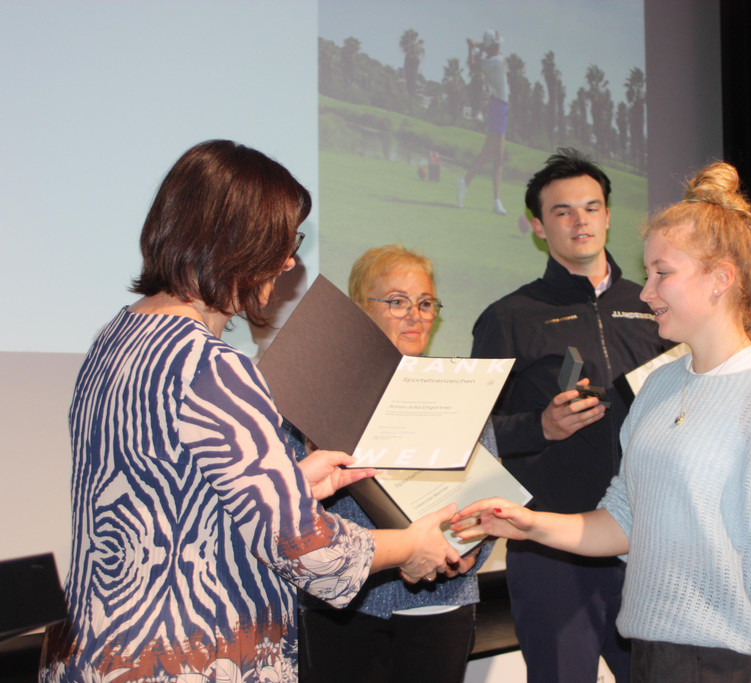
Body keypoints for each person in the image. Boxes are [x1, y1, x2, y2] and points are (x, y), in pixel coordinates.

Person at [40, 141, 460, 683]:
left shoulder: (117, 337)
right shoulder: (212, 366)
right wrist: (412, 543)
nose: (289, 262)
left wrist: (290, 483)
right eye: (283, 243)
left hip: (100, 652)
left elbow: (168, 495)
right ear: (235, 242)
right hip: (187, 657)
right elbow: (308, 551)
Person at [455, 161, 751, 682]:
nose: (645, 291)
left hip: (726, 662)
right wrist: (529, 523)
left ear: (720, 278)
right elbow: (623, 520)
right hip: (651, 654)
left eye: (663, 273)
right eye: (649, 272)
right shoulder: (660, 387)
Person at [470, 148, 668, 682]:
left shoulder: (655, 307)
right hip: (551, 550)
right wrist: (539, 426)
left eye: (591, 207)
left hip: (650, 540)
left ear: (608, 216)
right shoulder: (508, 318)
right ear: (539, 226)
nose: (580, 221)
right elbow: (472, 435)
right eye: (562, 211)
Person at [297, 244, 495, 682]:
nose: (415, 316)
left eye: (425, 303)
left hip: (441, 603)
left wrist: (471, 550)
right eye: (397, 301)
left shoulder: (463, 387)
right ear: (358, 309)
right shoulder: (317, 393)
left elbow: (488, 493)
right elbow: (285, 497)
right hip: (343, 605)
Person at [457, 29, 508, 215]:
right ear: (491, 46)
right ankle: (468, 185)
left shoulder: (493, 58)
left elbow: (478, 60)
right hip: (498, 107)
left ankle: (491, 198)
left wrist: (473, 46)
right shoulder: (493, 62)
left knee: (494, 155)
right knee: (493, 155)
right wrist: (473, 48)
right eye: (496, 44)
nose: (499, 46)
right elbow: (473, 66)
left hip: (502, 107)